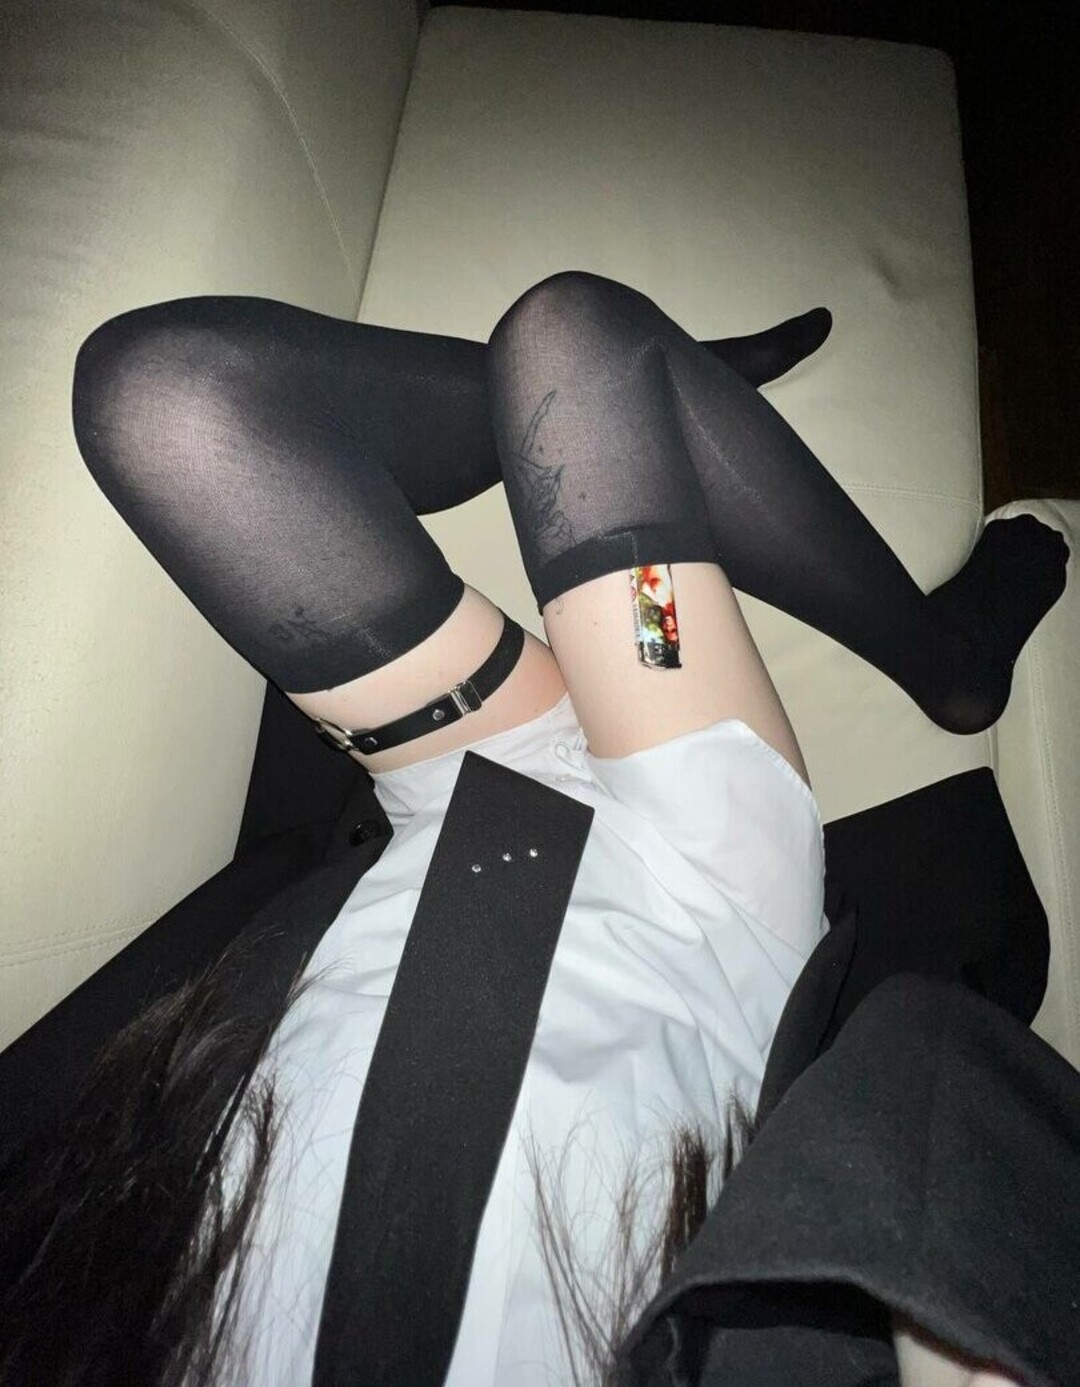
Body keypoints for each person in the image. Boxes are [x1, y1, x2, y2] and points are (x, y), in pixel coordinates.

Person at [0, 271, 1071, 1386]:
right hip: (695, 894)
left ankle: (674, 422)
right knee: (575, 345)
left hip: (463, 810)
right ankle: (947, 659)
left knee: (161, 400)